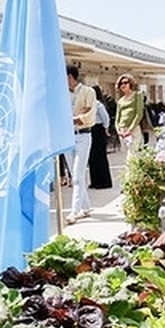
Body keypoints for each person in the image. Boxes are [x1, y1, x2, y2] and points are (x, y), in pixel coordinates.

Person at [64, 64, 97, 223]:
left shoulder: (88, 92)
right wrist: (77, 116)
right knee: (74, 173)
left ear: (70, 77)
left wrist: (74, 118)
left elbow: (89, 114)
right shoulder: (62, 94)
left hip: (83, 136)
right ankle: (85, 207)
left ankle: (74, 212)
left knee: (77, 175)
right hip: (67, 136)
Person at [87, 84, 113, 189]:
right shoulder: (89, 104)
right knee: (92, 157)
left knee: (100, 157)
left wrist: (106, 128)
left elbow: (106, 118)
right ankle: (95, 181)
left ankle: (103, 181)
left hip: (98, 129)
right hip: (91, 129)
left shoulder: (98, 104)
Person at [114, 73, 148, 152]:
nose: (123, 85)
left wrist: (130, 129)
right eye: (121, 83)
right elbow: (117, 117)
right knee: (127, 151)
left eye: (125, 82)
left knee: (133, 152)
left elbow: (139, 114)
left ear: (130, 84)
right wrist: (118, 130)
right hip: (122, 129)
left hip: (133, 128)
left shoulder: (137, 95)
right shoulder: (120, 100)